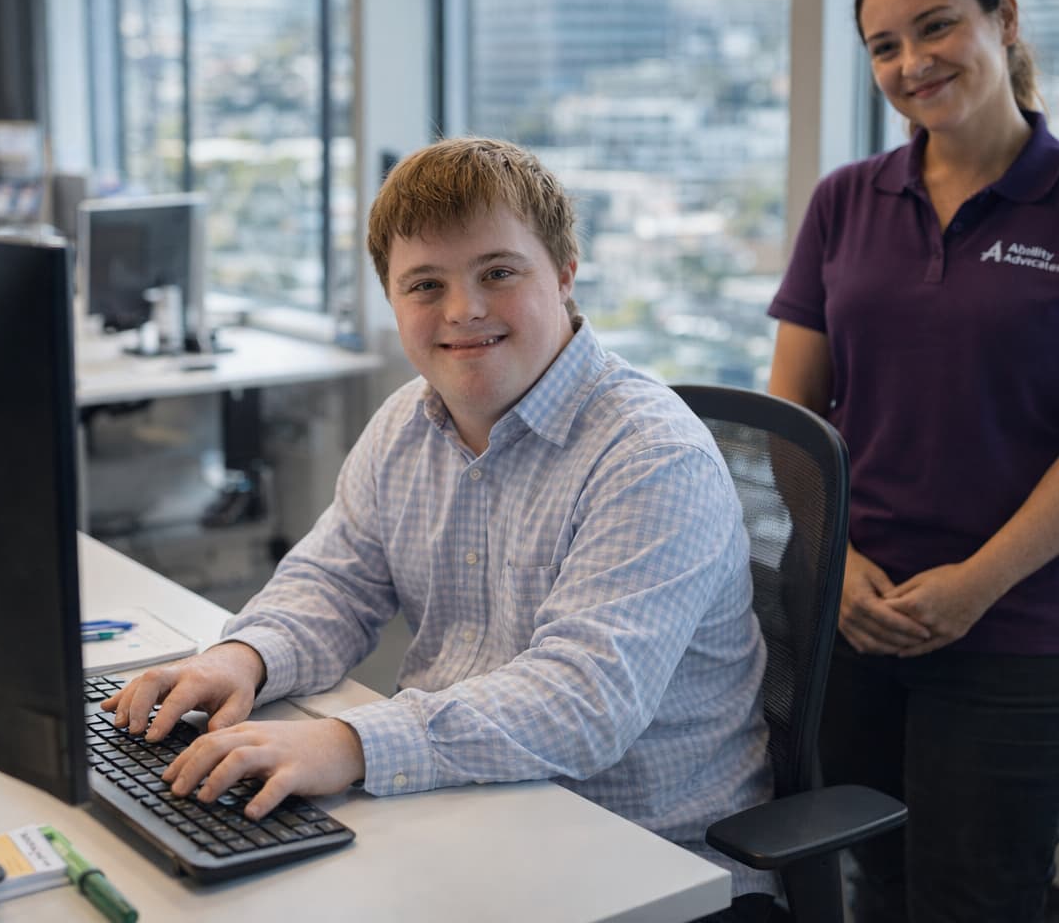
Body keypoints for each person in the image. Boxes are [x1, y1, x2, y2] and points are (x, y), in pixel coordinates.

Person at [102, 137, 777, 913]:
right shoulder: (407, 424)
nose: (463, 310)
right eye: (425, 284)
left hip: (643, 863)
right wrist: (242, 658)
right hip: (462, 812)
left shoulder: (651, 455)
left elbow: (583, 703)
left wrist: (349, 744)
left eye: (498, 273)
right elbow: (333, 584)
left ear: (563, 275)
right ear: (392, 301)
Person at [765, 0, 1059, 923]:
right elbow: (791, 414)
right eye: (883, 46)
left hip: (1024, 629)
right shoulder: (844, 201)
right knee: (878, 877)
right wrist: (844, 562)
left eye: (937, 26)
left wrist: (975, 585)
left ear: (1003, 17)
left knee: (977, 898)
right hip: (855, 615)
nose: (912, 63)